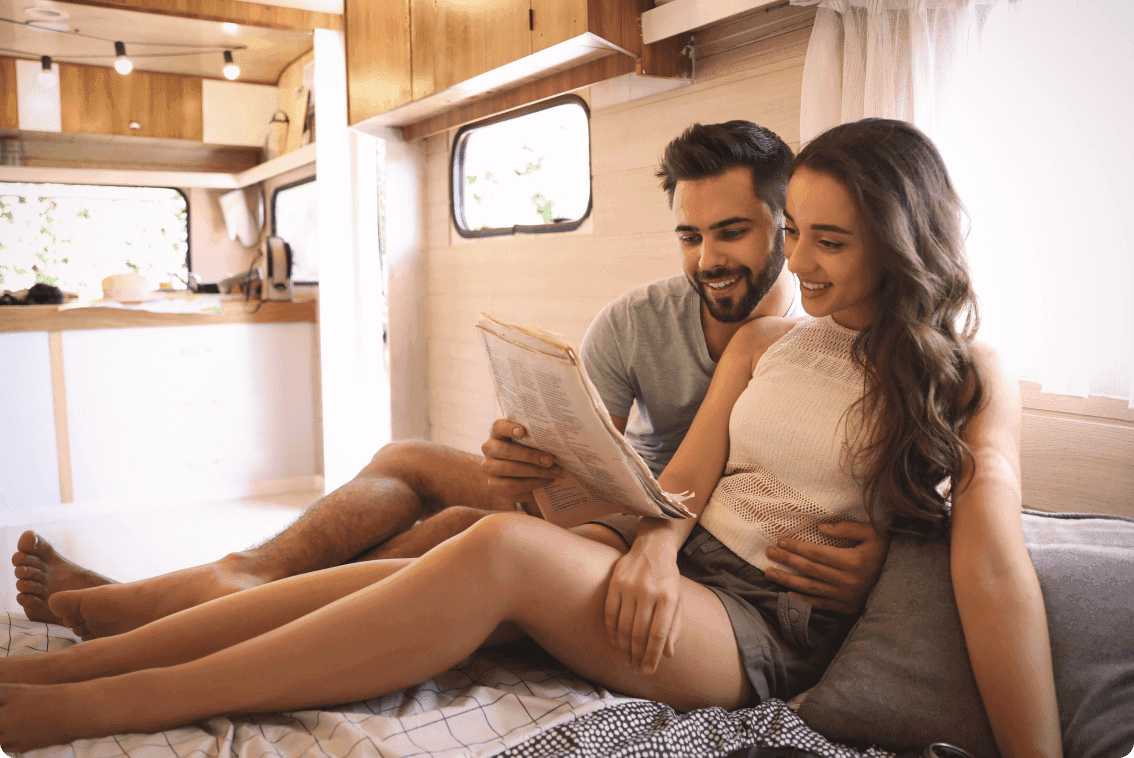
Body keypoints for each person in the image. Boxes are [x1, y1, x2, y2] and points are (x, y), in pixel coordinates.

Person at [0, 118, 1061, 758]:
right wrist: (648, 541)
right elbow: (683, 480)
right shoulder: (772, 341)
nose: (806, 263)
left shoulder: (970, 378)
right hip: (672, 561)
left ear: (904, 241)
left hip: (758, 627)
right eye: (802, 237)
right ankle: (70, 675)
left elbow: (999, 575)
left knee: (495, 549)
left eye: (831, 242)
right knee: (446, 541)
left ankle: (104, 701)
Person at [12, 121, 888, 640]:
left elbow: (873, 479)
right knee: (413, 458)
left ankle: (200, 604)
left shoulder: (822, 332)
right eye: (688, 236)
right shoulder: (636, 318)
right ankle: (239, 578)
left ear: (790, 225)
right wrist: (519, 453)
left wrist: (879, 560)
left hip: (678, 534)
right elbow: (583, 445)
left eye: (731, 232)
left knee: (457, 530)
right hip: (614, 501)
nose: (707, 259)